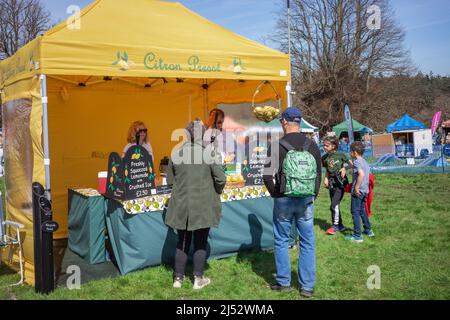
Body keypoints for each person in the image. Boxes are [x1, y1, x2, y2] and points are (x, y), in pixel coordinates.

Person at [263, 107, 322, 298]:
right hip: (305, 199)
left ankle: (284, 282)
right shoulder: (312, 145)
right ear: (300, 122)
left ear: (285, 122)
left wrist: (276, 194)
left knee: (281, 241)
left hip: (283, 199)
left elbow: (266, 176)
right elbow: (318, 175)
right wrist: (313, 194)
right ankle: (307, 287)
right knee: (307, 242)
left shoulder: (276, 145)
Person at [165, 119, 226, 289]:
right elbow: (221, 178)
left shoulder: (176, 152)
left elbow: (170, 181)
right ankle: (198, 279)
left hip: (182, 203)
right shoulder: (208, 152)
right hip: (203, 204)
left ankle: (178, 279)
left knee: (182, 241)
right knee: (200, 241)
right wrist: (216, 191)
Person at [345, 141, 375, 242]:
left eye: (350, 151)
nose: (349, 153)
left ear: (354, 152)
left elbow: (361, 174)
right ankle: (368, 230)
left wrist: (356, 188)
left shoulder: (357, 162)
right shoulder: (364, 162)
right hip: (365, 191)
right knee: (362, 210)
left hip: (358, 191)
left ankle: (357, 236)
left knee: (355, 212)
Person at [322, 135, 352, 235]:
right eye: (324, 145)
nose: (324, 147)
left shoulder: (341, 155)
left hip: (340, 183)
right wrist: (326, 178)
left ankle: (334, 227)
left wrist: (344, 168)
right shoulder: (325, 158)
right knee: (335, 205)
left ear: (333, 146)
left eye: (326, 145)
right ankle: (340, 225)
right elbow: (327, 169)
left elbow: (351, 163)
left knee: (334, 205)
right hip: (331, 184)